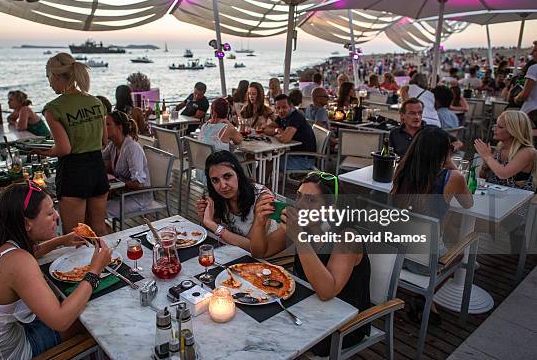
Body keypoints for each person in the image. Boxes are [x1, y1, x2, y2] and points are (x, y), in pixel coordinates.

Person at [0, 183, 112, 359]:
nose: (57, 216)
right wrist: (95, 270)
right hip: (6, 354)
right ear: (27, 223)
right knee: (90, 322)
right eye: (50, 213)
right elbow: (61, 320)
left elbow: (26, 252)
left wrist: (61, 241)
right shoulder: (20, 263)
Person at [250, 172, 371, 354]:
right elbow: (260, 252)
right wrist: (259, 223)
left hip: (344, 323)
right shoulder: (303, 225)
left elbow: (326, 291)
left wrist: (299, 238)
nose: (299, 205)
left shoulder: (347, 237)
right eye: (298, 196)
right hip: (306, 307)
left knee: (270, 337)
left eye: (311, 200)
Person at [391, 126, 473, 324]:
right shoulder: (453, 177)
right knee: (460, 254)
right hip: (424, 263)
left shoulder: (401, 170)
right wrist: (450, 162)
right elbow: (468, 203)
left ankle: (419, 297)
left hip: (395, 255)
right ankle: (424, 295)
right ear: (444, 152)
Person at [34, 53, 109, 236]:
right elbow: (103, 142)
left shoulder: (53, 109)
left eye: (49, 78)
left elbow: (64, 149)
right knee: (99, 227)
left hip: (74, 172)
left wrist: (43, 151)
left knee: (75, 235)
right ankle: (109, 262)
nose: (50, 83)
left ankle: (83, 266)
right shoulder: (96, 102)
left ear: (57, 76)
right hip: (97, 169)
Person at [196, 151, 274, 252]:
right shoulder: (215, 197)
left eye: (227, 176)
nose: (223, 185)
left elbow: (251, 247)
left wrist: (211, 224)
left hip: (269, 258)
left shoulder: (263, 197)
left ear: (238, 174)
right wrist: (203, 217)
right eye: (215, 180)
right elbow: (212, 235)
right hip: (233, 253)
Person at [103, 111, 153, 218]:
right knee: (91, 207)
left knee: (97, 213)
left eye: (107, 124)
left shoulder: (131, 148)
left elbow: (138, 184)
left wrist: (117, 185)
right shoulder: (113, 145)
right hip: (121, 193)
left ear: (119, 128)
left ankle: (109, 234)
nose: (104, 128)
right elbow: (98, 159)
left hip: (137, 197)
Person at [475, 110, 536, 192]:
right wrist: (486, 163)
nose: (494, 129)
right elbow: (483, 177)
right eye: (495, 125)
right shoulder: (500, 147)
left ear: (514, 131)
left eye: (500, 127)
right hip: (496, 197)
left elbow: (503, 174)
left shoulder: (527, 151)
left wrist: (488, 157)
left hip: (517, 199)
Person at [390, 98, 461, 157]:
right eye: (412, 113)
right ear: (402, 115)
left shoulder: (432, 130)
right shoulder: (395, 133)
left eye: (420, 113)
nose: (417, 117)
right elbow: (389, 156)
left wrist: (443, 154)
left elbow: (458, 143)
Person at [264, 94, 317, 170]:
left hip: (304, 159)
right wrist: (277, 130)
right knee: (266, 158)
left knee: (269, 162)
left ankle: (261, 182)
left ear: (291, 106)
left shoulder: (296, 117)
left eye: (284, 107)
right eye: (278, 108)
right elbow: (266, 129)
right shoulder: (282, 117)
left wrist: (278, 134)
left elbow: (284, 139)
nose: (281, 110)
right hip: (292, 154)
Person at [514, 41, 537, 131]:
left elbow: (524, 95)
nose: (531, 53)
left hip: (531, 112)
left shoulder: (534, 68)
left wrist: (516, 98)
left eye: (535, 50)